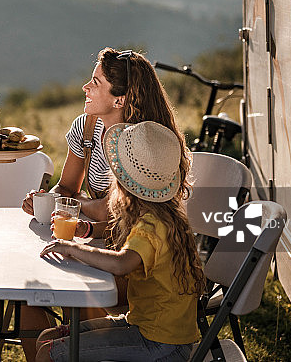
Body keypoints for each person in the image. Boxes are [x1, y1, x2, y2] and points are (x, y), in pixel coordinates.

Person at [18, 47, 188, 360]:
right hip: (109, 237)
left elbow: (124, 219)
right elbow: (72, 190)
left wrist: (83, 216)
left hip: (128, 251)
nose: (85, 87)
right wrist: (48, 201)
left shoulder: (146, 148)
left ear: (119, 99)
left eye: (95, 82)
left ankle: (80, 351)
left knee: (79, 291)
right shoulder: (87, 127)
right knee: (31, 293)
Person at [35, 121, 204, 362]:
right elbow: (124, 240)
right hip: (145, 326)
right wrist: (89, 230)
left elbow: (121, 264)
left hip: (161, 344)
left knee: (51, 352)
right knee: (48, 337)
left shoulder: (152, 224)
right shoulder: (164, 213)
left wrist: (72, 248)